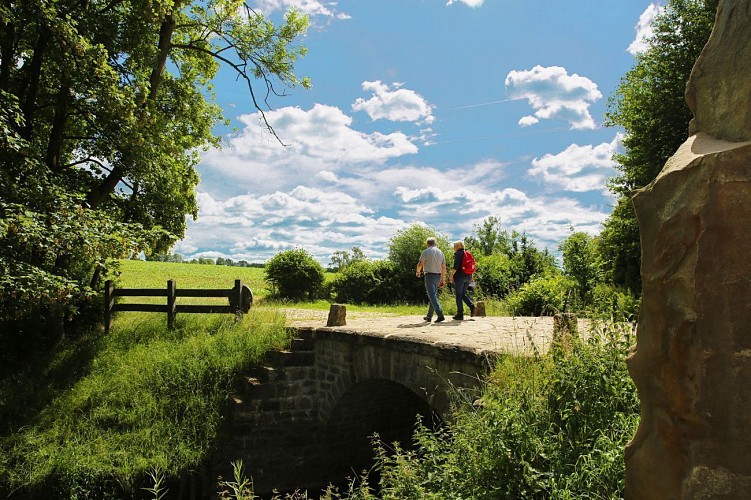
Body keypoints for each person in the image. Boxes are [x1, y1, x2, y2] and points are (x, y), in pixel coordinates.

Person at [416, 237, 446, 323]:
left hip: (429, 276)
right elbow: (444, 267)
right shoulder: (441, 252)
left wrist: (418, 272)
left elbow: (420, 264)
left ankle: (440, 315)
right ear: (435, 243)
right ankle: (429, 316)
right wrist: (443, 279)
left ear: (427, 244)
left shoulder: (426, 252)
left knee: (432, 296)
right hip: (438, 276)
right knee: (433, 296)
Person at [449, 240, 475, 320]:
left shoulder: (458, 253)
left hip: (460, 277)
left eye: (454, 246)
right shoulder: (467, 253)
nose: (453, 248)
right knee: (462, 294)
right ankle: (472, 306)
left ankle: (460, 314)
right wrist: (471, 277)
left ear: (457, 247)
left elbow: (456, 266)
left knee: (458, 295)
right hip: (468, 276)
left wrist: (451, 276)